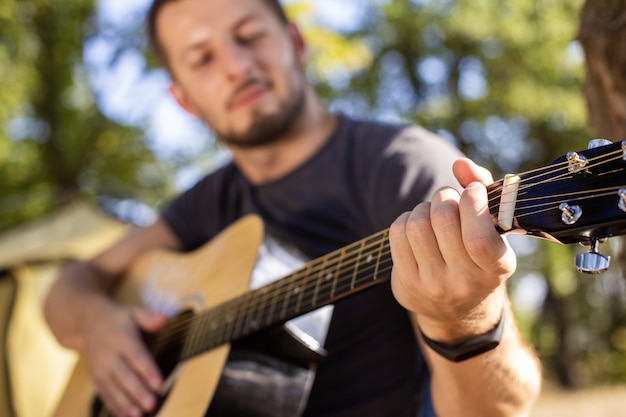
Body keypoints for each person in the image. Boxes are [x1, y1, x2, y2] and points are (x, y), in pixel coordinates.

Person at [44, 0, 542, 416]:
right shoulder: (205, 202)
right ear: (184, 101)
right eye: (202, 59)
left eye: (249, 35)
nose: (237, 66)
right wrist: (96, 322)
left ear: (296, 44)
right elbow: (68, 286)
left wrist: (466, 322)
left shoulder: (402, 167)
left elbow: (501, 408)